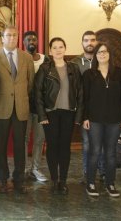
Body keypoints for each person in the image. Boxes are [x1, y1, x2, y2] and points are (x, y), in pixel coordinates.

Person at [34, 37, 83, 195]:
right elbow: (38, 94)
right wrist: (42, 115)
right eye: (54, 47)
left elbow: (80, 93)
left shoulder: (73, 68)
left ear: (65, 49)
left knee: (65, 147)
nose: (58, 50)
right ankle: (54, 179)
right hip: (50, 113)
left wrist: (78, 116)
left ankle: (63, 180)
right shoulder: (45, 68)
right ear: (50, 50)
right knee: (52, 146)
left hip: (68, 112)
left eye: (61, 47)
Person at [0, 26, 34, 194]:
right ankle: (2, 179)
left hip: (20, 108)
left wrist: (20, 96)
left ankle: (18, 179)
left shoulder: (26, 57)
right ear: (2, 38)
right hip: (1, 108)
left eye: (15, 35)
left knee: (19, 147)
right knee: (1, 147)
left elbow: (30, 83)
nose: (12, 38)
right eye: (8, 35)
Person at [83, 43, 121, 198]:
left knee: (110, 153)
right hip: (94, 119)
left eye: (105, 51)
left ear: (109, 54)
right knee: (94, 151)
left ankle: (110, 183)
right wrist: (85, 118)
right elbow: (85, 99)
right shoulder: (89, 74)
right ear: (95, 56)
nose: (102, 54)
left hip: (114, 120)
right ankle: (90, 183)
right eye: (99, 52)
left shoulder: (120, 73)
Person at [71, 31, 106, 183]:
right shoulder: (74, 63)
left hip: (103, 109)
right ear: (82, 43)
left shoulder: (104, 60)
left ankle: (104, 172)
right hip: (83, 109)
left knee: (103, 143)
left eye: (92, 40)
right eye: (86, 40)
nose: (89, 43)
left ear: (97, 42)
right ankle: (87, 173)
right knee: (86, 144)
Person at [23, 31, 50, 182]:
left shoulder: (46, 59)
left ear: (37, 42)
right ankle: (24, 168)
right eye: (28, 39)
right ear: (24, 42)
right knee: (24, 139)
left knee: (39, 139)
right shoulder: (20, 58)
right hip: (24, 106)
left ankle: (36, 169)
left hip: (41, 107)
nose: (32, 41)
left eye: (34, 39)